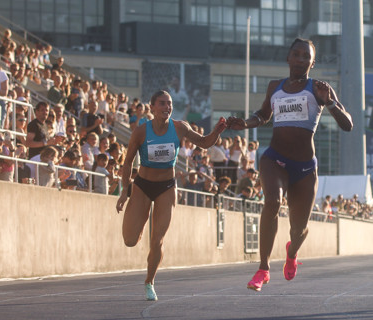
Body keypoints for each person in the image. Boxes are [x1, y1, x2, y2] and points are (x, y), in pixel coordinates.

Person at [227, 38, 353, 292]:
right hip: (274, 159)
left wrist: (328, 102)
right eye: (296, 54)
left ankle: (292, 251)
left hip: (305, 168)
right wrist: (246, 123)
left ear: (312, 62)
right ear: (288, 58)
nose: (300, 59)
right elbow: (263, 115)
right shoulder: (275, 87)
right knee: (272, 202)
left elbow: (348, 124)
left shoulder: (319, 88)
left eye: (306, 56)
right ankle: (263, 269)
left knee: (299, 230)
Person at [115, 90, 227, 301]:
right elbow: (128, 161)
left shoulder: (180, 127)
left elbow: (203, 142)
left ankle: (149, 281)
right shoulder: (140, 132)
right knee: (130, 240)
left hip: (166, 187)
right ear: (152, 107)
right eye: (162, 103)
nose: (167, 107)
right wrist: (124, 190)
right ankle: (140, 221)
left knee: (157, 240)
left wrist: (218, 130)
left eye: (170, 104)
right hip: (142, 185)